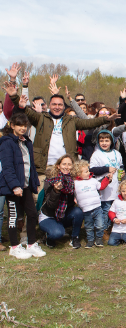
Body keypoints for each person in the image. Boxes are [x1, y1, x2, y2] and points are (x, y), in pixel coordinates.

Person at [5, 85, 118, 187]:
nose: (57, 107)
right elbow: (25, 110)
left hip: (67, 167)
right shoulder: (41, 118)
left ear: (64, 107)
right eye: (54, 104)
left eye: (60, 104)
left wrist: (105, 119)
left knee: (66, 201)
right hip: (44, 167)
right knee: (40, 200)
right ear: (49, 105)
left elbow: (88, 123)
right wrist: (14, 96)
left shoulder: (71, 120)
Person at [0, 110, 45, 259]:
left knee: (32, 214)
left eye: (25, 126)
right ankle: (14, 246)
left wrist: (34, 182)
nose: (23, 128)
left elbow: (30, 165)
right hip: (12, 187)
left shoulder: (27, 142)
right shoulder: (7, 143)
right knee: (13, 217)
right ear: (12, 126)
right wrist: (14, 186)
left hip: (25, 186)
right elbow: (7, 167)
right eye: (19, 125)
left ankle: (31, 244)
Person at [39, 155, 84, 249]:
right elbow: (50, 205)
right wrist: (56, 191)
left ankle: (74, 237)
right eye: (64, 164)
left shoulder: (73, 181)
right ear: (58, 166)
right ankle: (48, 237)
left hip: (63, 214)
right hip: (49, 215)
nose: (66, 167)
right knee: (57, 233)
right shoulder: (51, 180)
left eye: (69, 164)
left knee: (78, 212)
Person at [89, 130, 124, 239]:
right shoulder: (96, 154)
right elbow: (92, 170)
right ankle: (103, 229)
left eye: (107, 140)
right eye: (102, 141)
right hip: (104, 187)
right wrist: (106, 169)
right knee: (106, 209)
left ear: (111, 141)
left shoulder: (117, 153)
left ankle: (111, 228)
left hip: (116, 186)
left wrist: (122, 174)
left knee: (115, 208)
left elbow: (121, 166)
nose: (104, 143)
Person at [73, 160, 111, 248]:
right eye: (86, 171)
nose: (89, 173)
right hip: (86, 210)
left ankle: (98, 239)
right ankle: (90, 240)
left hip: (97, 208)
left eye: (88, 170)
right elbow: (71, 192)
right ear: (78, 173)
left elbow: (101, 186)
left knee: (100, 225)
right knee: (89, 226)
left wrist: (107, 179)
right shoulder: (75, 183)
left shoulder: (93, 180)